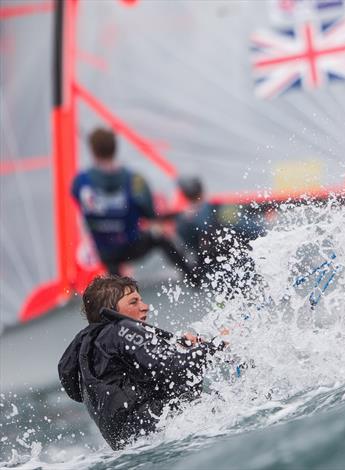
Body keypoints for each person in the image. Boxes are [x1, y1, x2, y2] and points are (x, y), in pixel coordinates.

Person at [58, 275, 225, 450]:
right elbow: (176, 370)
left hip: (125, 443)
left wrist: (182, 349)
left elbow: (76, 392)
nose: (145, 307)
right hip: (156, 430)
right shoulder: (121, 330)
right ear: (111, 309)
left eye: (141, 300)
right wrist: (216, 345)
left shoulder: (84, 344)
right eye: (133, 302)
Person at [72, 127, 192, 278]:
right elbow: (151, 215)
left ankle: (115, 287)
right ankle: (193, 277)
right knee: (160, 237)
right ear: (115, 149)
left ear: (93, 151)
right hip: (131, 245)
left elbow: (80, 204)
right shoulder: (133, 179)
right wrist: (179, 214)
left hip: (105, 252)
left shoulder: (80, 182)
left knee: (111, 260)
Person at [175, 176, 266, 284]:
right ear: (202, 190)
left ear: (183, 195)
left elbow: (188, 245)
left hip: (212, 272)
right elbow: (254, 230)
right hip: (242, 263)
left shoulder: (183, 220)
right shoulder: (220, 208)